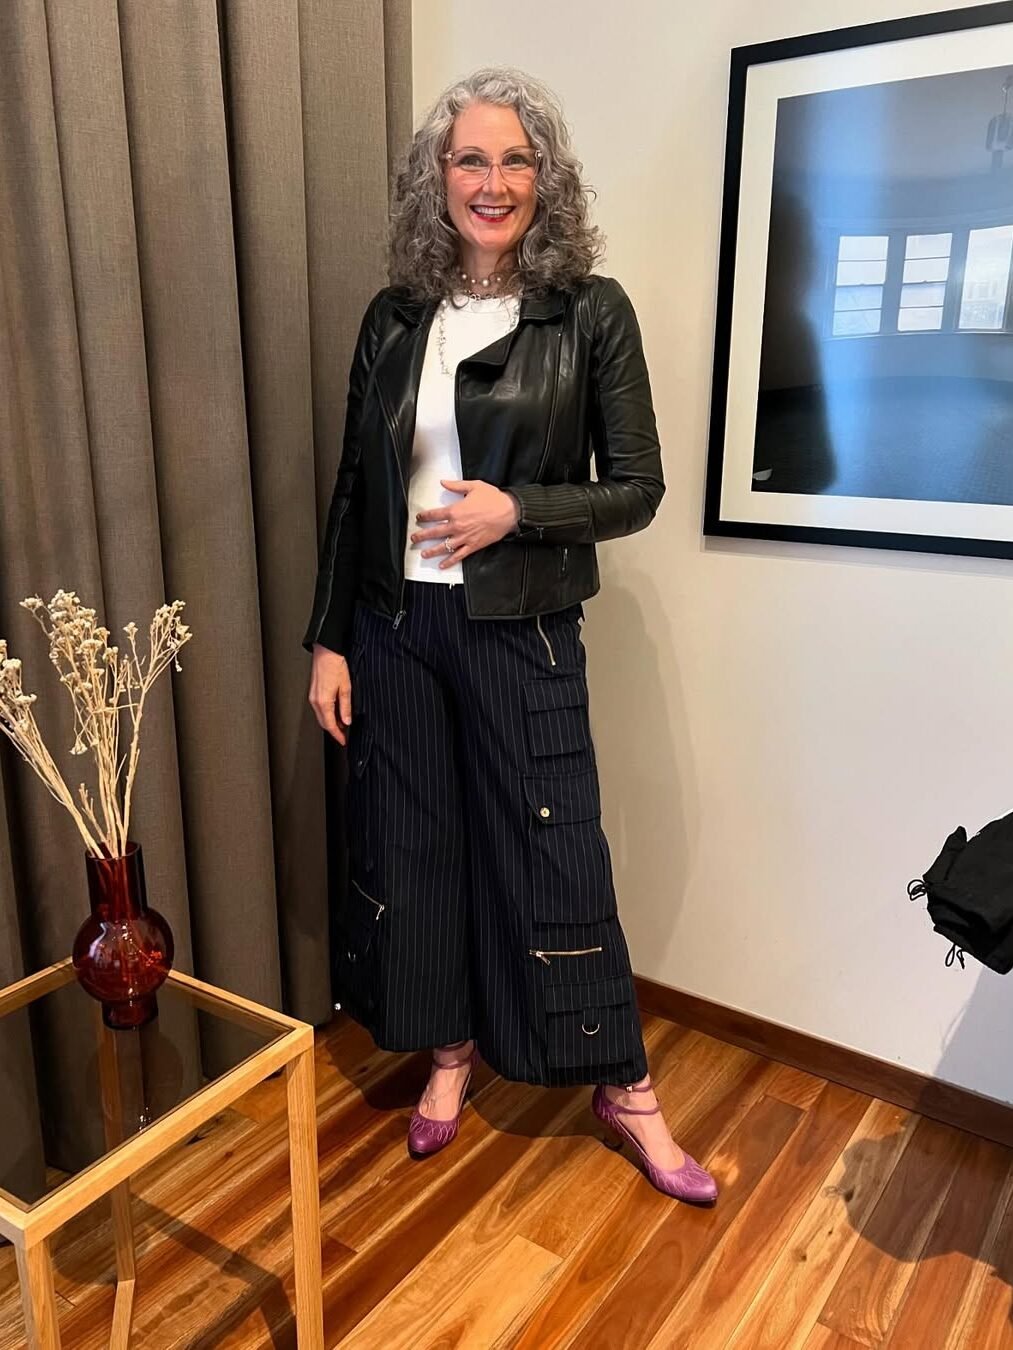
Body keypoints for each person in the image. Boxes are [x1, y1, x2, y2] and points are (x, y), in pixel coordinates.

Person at [304, 67, 717, 1205]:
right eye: (470, 160)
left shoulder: (589, 310)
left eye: (514, 160)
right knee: (418, 846)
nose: (492, 183)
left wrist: (513, 509)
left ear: (547, 180)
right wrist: (329, 640)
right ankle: (448, 1054)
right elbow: (353, 489)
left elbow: (635, 488)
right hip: (396, 628)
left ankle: (620, 1083)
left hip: (519, 626)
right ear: (436, 180)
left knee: (553, 849)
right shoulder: (394, 317)